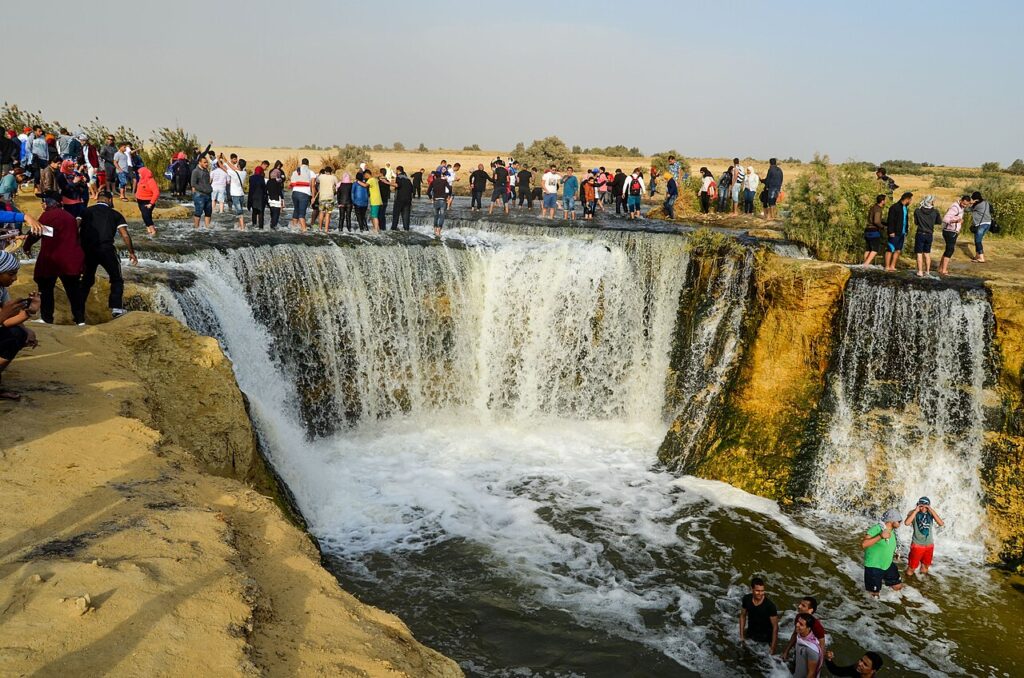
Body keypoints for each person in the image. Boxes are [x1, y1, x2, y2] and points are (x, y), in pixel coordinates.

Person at [22, 192, 85, 325]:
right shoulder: (70, 217)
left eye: (44, 201)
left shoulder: (48, 215)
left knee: (45, 288)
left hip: (52, 258)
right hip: (71, 259)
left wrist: (26, 247)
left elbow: (36, 233)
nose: (42, 203)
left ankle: (47, 318)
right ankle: (80, 320)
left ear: (50, 203)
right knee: (73, 291)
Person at [79, 189, 137, 320]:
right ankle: (116, 308)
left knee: (86, 280)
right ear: (110, 200)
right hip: (106, 250)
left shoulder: (85, 211)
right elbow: (125, 235)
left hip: (88, 251)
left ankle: (79, 308)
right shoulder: (115, 214)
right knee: (116, 278)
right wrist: (131, 252)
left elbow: (75, 227)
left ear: (97, 198)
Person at [0, 251, 41, 400]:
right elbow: (4, 318)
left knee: (18, 334)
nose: (15, 278)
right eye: (10, 274)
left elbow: (7, 320)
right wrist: (5, 313)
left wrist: (28, 314)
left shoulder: (1, 290)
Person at [862, 508, 904, 597]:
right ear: (891, 520)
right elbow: (864, 544)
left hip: (887, 564)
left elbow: (890, 543)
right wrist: (880, 536)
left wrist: (896, 552)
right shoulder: (877, 529)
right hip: (874, 566)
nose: (900, 523)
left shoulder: (893, 530)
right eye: (899, 521)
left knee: (898, 586)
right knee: (874, 595)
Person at [904, 496, 944, 576]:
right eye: (921, 506)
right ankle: (907, 582)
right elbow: (907, 523)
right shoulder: (914, 514)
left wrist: (930, 509)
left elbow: (941, 523)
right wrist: (915, 511)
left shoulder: (930, 514)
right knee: (912, 567)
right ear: (918, 505)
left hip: (929, 545)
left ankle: (922, 582)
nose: (923, 508)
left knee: (925, 566)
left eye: (925, 506)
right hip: (917, 545)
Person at [739, 576, 779, 654]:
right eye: (757, 591)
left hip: (765, 639)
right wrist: (741, 636)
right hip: (751, 635)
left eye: (762, 591)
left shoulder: (770, 606)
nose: (760, 593)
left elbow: (775, 627)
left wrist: (773, 648)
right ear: (752, 589)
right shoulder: (746, 599)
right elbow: (742, 616)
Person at [782, 597, 826, 664]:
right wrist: (786, 651)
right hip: (800, 647)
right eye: (800, 604)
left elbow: (822, 645)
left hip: (811, 653)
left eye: (803, 606)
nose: (799, 606)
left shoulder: (816, 626)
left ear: (810, 610)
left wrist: (820, 663)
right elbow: (795, 634)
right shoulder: (799, 617)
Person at [938, 195, 970, 275]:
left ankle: (940, 268)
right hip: (950, 231)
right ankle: (944, 270)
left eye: (966, 205)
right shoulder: (955, 208)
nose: (964, 206)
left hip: (952, 231)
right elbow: (945, 219)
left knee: (948, 249)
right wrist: (956, 221)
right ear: (961, 200)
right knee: (950, 250)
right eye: (964, 204)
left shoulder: (960, 206)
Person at [913, 195, 941, 277]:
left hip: (920, 233)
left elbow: (916, 222)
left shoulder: (917, 211)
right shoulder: (935, 211)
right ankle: (928, 271)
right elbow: (939, 222)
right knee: (927, 253)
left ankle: (920, 271)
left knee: (919, 253)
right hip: (929, 234)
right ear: (931, 202)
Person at [884, 192, 913, 271]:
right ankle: (887, 266)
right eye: (910, 200)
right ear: (907, 199)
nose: (911, 201)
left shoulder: (905, 208)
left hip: (902, 232)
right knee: (890, 249)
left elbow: (906, 220)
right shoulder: (894, 207)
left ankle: (892, 266)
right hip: (894, 232)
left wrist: (906, 230)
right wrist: (890, 231)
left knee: (898, 250)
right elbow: (890, 220)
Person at [791, 613, 822, 678]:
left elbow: (811, 673)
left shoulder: (811, 650)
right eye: (798, 622)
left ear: (809, 628)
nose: (797, 625)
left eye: (801, 624)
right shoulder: (800, 636)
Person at [288, 159, 314, 232]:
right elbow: (313, 186)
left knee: (296, 211)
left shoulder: (295, 171)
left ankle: (294, 229)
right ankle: (304, 230)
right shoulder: (310, 172)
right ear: (308, 164)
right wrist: (313, 196)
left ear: (301, 163)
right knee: (302, 213)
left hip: (295, 193)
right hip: (304, 193)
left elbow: (291, 183)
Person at [968, 191, 993, 263]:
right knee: (978, 240)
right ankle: (977, 256)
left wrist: (971, 203)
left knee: (978, 241)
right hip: (988, 223)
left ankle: (982, 258)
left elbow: (968, 209)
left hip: (981, 224)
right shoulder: (986, 202)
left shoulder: (977, 205)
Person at [135, 166, 160, 236]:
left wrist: (151, 203)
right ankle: (149, 230)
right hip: (140, 201)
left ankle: (153, 231)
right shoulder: (142, 179)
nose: (139, 175)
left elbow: (156, 192)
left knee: (146, 216)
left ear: (144, 173)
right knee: (145, 216)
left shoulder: (151, 181)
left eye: (140, 173)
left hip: (147, 201)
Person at [190, 155, 213, 229]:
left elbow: (207, 182)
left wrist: (209, 188)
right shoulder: (195, 171)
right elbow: (193, 184)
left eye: (207, 162)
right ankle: (196, 229)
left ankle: (207, 228)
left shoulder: (206, 170)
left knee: (208, 213)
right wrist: (204, 189)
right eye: (205, 162)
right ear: (200, 162)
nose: (206, 164)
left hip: (208, 195)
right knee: (198, 212)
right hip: (199, 195)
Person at [863, 194, 886, 267]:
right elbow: (876, 221)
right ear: (882, 201)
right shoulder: (878, 209)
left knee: (868, 249)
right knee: (875, 249)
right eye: (885, 200)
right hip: (874, 231)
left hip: (867, 230)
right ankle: (866, 264)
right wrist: (882, 227)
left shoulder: (872, 207)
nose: (886, 201)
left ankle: (865, 264)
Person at [226, 158, 247, 230]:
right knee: (240, 210)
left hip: (235, 195)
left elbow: (223, 167)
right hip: (241, 194)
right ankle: (239, 225)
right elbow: (234, 168)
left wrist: (220, 160)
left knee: (239, 212)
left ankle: (242, 228)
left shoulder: (234, 173)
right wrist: (225, 160)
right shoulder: (244, 172)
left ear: (238, 165)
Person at [314, 166, 337, 232]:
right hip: (330, 197)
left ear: (325, 171)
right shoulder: (333, 177)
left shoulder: (321, 176)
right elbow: (337, 185)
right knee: (328, 214)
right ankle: (326, 229)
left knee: (321, 212)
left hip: (322, 197)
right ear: (331, 171)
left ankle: (320, 228)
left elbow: (317, 181)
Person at [391, 166, 413, 231]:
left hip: (399, 199)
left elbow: (398, 185)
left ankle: (393, 229)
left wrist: (388, 183)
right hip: (408, 200)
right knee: (406, 217)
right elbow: (412, 190)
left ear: (398, 170)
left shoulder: (398, 177)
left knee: (396, 215)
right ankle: (406, 230)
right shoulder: (408, 179)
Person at [266, 160, 285, 229]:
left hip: (270, 200)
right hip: (277, 200)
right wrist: (282, 200)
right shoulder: (278, 183)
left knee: (272, 213)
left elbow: (266, 191)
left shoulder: (268, 182)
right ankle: (273, 227)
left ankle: (271, 225)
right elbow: (280, 192)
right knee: (276, 215)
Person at [430, 170, 449, 237]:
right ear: (440, 176)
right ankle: (439, 231)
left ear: (435, 176)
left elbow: (428, 191)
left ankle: (435, 230)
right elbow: (449, 189)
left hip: (435, 200)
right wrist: (446, 196)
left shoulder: (433, 182)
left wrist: (431, 198)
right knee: (442, 216)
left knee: (436, 216)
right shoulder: (444, 181)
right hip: (443, 200)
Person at [248, 165, 267, 230]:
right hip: (260, 197)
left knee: (254, 212)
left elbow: (250, 188)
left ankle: (254, 225)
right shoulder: (261, 178)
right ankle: (261, 228)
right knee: (261, 213)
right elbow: (264, 189)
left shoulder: (251, 178)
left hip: (253, 196)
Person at [366, 166, 383, 232]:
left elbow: (365, 185)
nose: (365, 177)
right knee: (373, 215)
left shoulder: (370, 180)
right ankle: (377, 228)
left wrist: (358, 182)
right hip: (377, 200)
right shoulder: (375, 179)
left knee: (374, 216)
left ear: (367, 174)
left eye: (365, 175)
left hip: (375, 201)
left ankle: (375, 229)